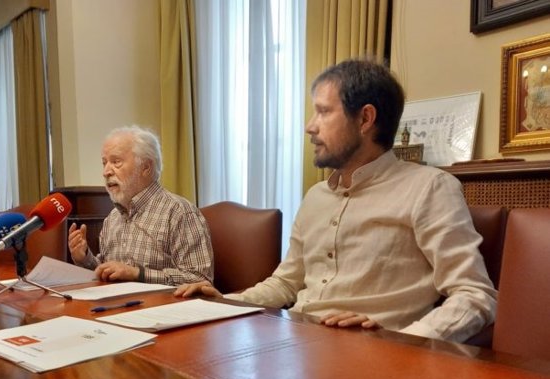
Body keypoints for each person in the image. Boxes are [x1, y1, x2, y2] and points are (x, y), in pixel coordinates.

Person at [175, 58, 496, 344]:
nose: (310, 127)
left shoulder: (429, 189)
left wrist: (404, 342)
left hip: (373, 363)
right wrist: (227, 302)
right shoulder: (316, 196)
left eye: (324, 112)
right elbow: (287, 282)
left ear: (365, 119)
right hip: (294, 348)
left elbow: (475, 295)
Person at [68, 125, 214, 286]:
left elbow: (200, 279)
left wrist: (138, 274)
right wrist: (85, 258)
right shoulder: (112, 218)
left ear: (145, 167)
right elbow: (108, 271)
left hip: (162, 308)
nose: (106, 172)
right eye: (104, 163)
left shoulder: (179, 212)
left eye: (116, 162)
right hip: (118, 306)